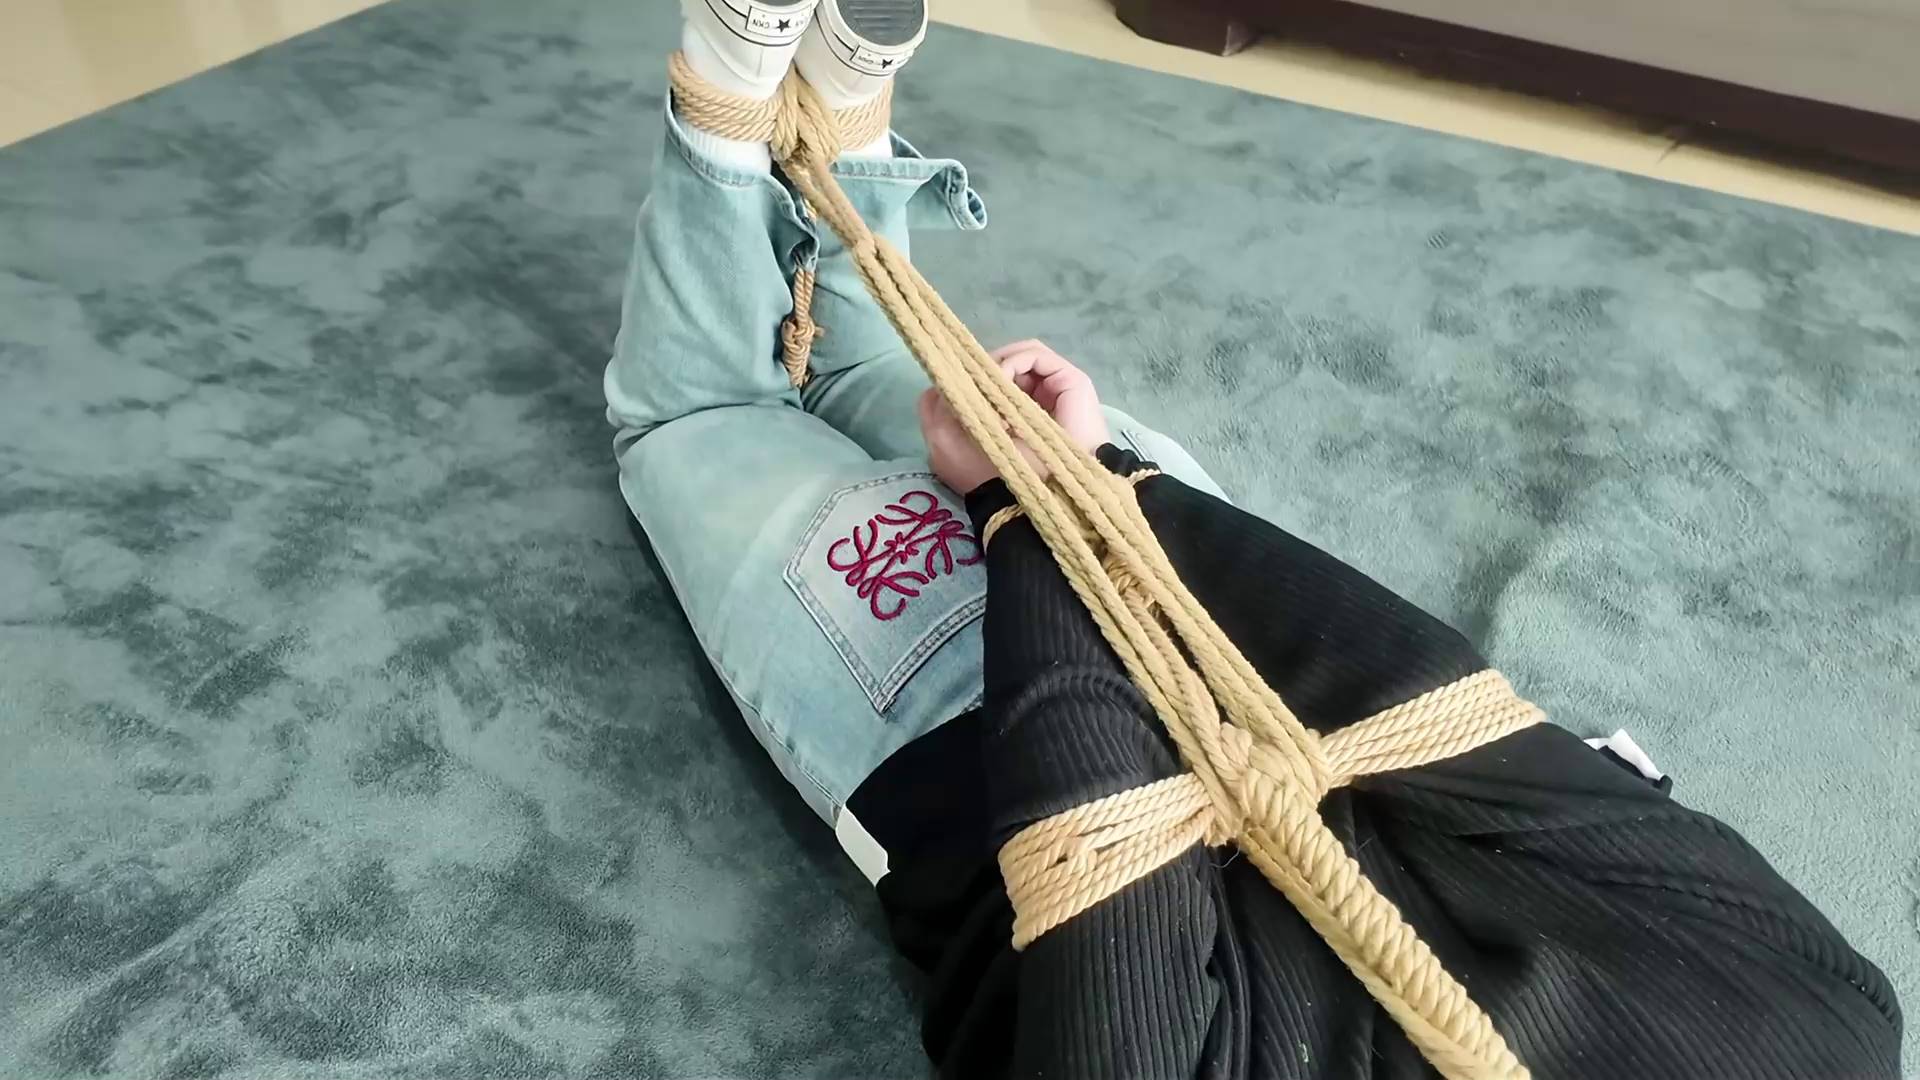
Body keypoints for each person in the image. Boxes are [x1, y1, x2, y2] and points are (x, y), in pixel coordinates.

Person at [605, 2, 1904, 1076]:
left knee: (763, 405)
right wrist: (1055, 494)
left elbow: (1465, 732)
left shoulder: (1840, 1023)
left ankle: (777, 99)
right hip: (1069, 691)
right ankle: (786, 113)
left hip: (1133, 684)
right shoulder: (1830, 1028)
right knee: (728, 416)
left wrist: (1080, 493)